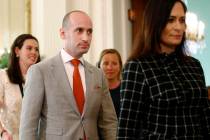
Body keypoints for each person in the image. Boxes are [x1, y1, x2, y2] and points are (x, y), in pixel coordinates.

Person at [117, 0, 210, 139]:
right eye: (170, 20)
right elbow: (127, 129)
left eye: (182, 20)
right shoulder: (137, 67)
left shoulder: (194, 66)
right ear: (155, 22)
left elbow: (205, 119)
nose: (178, 27)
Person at [19, 10, 117, 140]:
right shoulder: (40, 71)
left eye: (89, 31)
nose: (86, 38)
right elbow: (28, 126)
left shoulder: (98, 74)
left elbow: (108, 123)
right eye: (79, 30)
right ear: (62, 33)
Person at [0, 34, 40, 140]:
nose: (34, 52)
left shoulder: (40, 79)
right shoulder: (3, 76)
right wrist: (2, 132)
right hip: (10, 137)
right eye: (29, 48)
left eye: (36, 49)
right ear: (17, 51)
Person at [98, 49, 122, 118]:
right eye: (106, 63)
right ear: (99, 66)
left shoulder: (126, 89)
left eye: (114, 63)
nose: (110, 67)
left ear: (120, 66)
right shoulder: (94, 89)